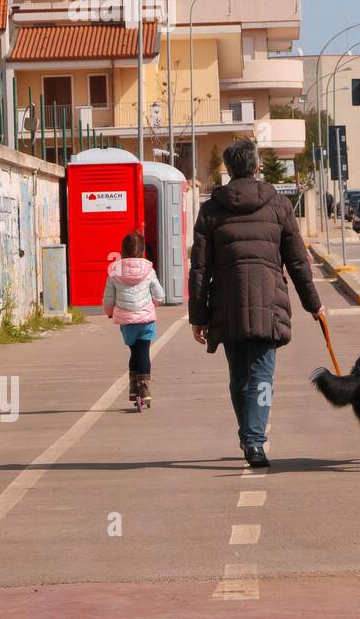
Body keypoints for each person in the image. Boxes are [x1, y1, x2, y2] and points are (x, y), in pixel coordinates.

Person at [188, 138, 325, 467]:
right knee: (262, 377)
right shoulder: (278, 205)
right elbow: (297, 263)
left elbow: (200, 269)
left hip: (227, 304)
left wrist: (199, 316)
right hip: (269, 304)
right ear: (257, 167)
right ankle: (255, 441)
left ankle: (249, 436)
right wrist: (314, 305)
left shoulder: (210, 210)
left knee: (239, 377)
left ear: (229, 170)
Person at [103, 231, 165, 409]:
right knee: (143, 351)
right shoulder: (149, 270)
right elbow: (159, 295)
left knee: (133, 351)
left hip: (126, 321)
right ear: (142, 251)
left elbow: (108, 298)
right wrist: (153, 304)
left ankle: (132, 387)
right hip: (145, 319)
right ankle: (144, 388)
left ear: (122, 251)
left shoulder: (114, 271)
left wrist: (109, 312)